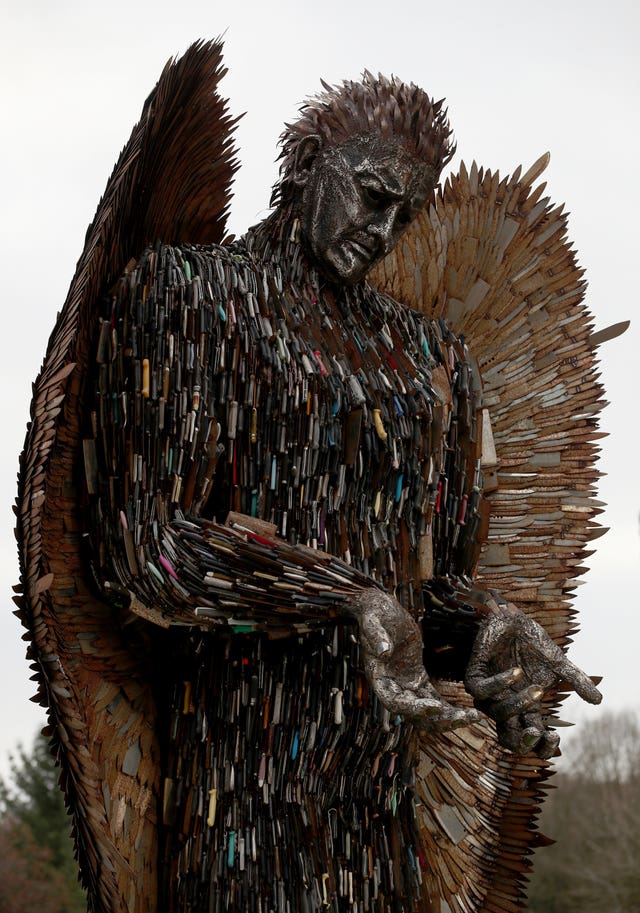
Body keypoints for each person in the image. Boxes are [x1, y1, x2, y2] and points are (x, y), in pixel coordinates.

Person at [17, 44, 602, 913]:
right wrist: (343, 596)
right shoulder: (190, 299)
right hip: (238, 803)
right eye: (371, 195)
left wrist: (482, 626)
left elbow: (419, 594)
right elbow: (144, 552)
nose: (381, 228)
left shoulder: (431, 361)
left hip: (378, 814)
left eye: (404, 215)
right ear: (305, 165)